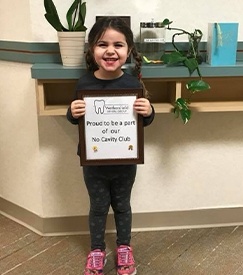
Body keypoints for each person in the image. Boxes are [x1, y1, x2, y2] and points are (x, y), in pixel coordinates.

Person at [66, 17, 155, 275]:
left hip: (125, 162)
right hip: (93, 162)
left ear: (129, 51)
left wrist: (148, 110)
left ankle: (124, 247)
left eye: (118, 44)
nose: (110, 50)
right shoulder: (84, 84)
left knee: (123, 206)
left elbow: (145, 121)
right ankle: (97, 250)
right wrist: (72, 111)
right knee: (97, 207)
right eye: (102, 44)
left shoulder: (132, 85)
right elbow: (76, 119)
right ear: (92, 49)